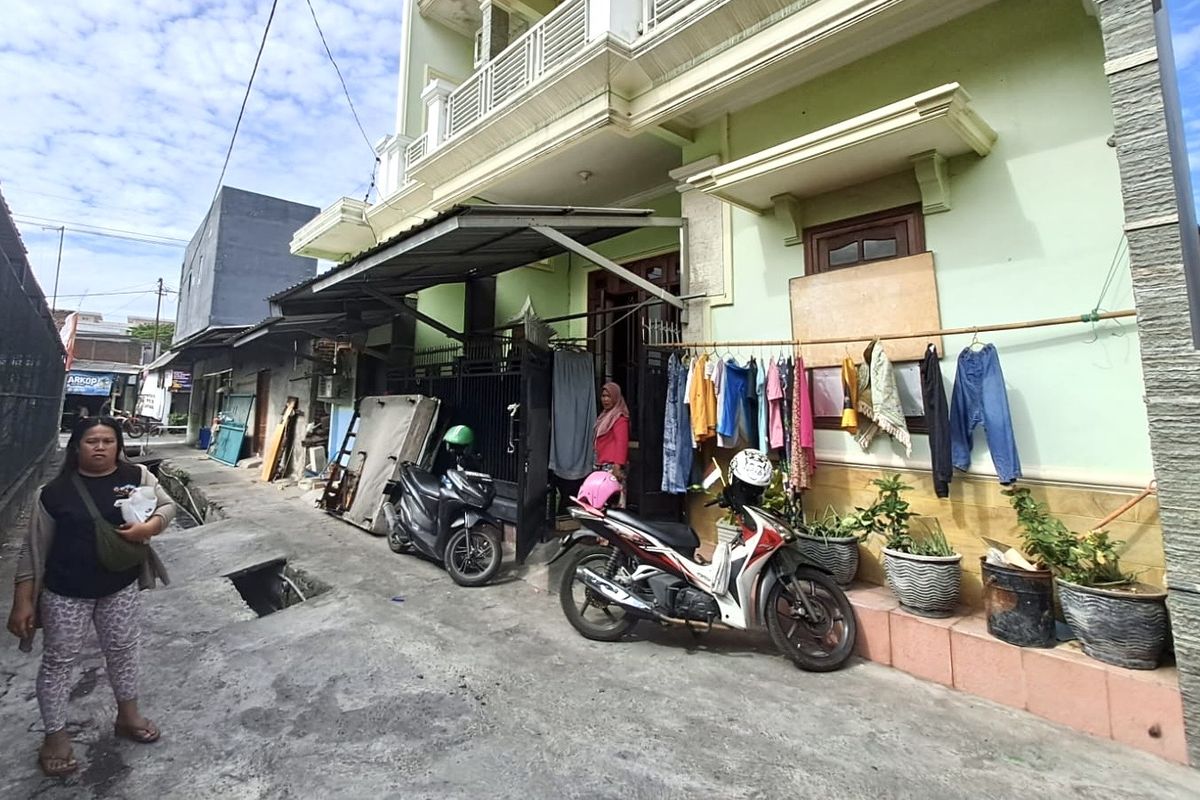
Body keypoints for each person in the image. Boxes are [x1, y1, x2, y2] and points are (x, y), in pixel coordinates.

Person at [6, 417, 175, 777]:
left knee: (124, 651)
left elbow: (166, 506)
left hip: (120, 588)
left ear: (118, 445)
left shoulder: (136, 477)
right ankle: (55, 735)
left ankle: (127, 716)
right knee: (57, 663)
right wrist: (22, 600)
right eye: (91, 441)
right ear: (76, 447)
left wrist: (149, 528)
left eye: (108, 441)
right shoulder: (54, 493)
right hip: (66, 593)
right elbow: (31, 548)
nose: (100, 447)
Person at [594, 382, 630, 483]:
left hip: (613, 466)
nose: (605, 399)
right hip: (602, 464)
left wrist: (617, 466)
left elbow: (621, 443)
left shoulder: (619, 418)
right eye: (603, 396)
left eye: (609, 396)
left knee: (613, 496)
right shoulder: (604, 416)